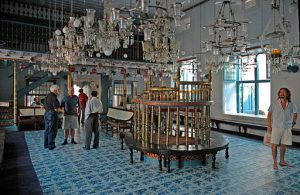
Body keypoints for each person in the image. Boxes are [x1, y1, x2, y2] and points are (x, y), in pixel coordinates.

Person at [267, 87, 298, 170]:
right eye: (280, 92)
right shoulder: (274, 103)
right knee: (274, 144)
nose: (282, 94)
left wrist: (293, 122)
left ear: (287, 94)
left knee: (284, 145)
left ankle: (282, 161)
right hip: (276, 127)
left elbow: (295, 113)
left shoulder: (291, 104)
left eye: (284, 92)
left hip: (287, 127)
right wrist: (269, 125)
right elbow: (269, 114)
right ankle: (274, 162)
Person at [44, 85, 64, 150]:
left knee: (47, 130)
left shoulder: (47, 96)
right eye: (58, 89)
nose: (59, 91)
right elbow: (56, 109)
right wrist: (63, 111)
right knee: (52, 130)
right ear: (55, 90)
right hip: (52, 114)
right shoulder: (53, 97)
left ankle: (46, 144)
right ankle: (51, 145)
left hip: (46, 113)